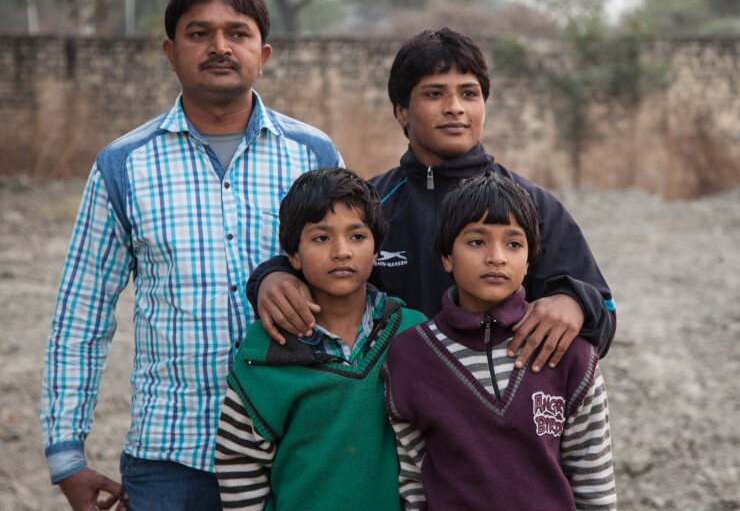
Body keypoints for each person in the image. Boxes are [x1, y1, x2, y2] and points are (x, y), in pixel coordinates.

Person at [39, 0, 342, 510]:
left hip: (298, 445)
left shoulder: (312, 154)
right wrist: (67, 455)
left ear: (263, 53)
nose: (220, 47)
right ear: (170, 52)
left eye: (237, 33)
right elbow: (82, 314)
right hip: (171, 456)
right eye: (199, 33)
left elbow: (354, 284)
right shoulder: (123, 165)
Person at [248, 27, 616, 374]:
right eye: (434, 93)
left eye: (469, 93)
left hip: (499, 422)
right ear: (402, 111)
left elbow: (604, 310)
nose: (455, 107)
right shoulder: (368, 206)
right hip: (390, 418)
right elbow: (313, 264)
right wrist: (271, 276)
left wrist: (575, 304)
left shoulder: (531, 205)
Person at [382, 172, 616, 510]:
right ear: (447, 256)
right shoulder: (412, 356)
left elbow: (594, 484)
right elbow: (414, 484)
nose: (497, 257)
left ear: (529, 261)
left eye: (514, 244)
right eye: (477, 242)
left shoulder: (569, 354)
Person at [214, 167, 426, 510]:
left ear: (376, 250)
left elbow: (433, 449)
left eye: (357, 236)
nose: (341, 251)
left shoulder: (411, 336)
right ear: (293, 255)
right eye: (321, 238)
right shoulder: (265, 352)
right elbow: (238, 464)